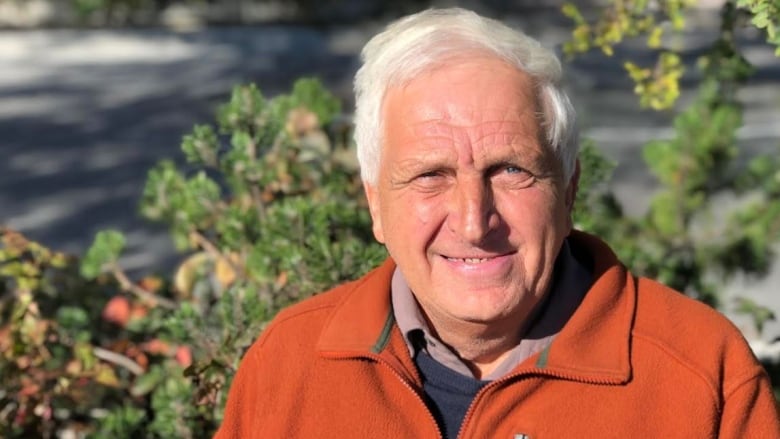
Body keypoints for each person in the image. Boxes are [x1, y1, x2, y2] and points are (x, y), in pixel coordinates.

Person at [215, 8, 780, 438]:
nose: (472, 220)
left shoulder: (702, 374)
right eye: (429, 175)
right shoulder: (289, 364)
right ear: (375, 206)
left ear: (569, 190)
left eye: (511, 170)